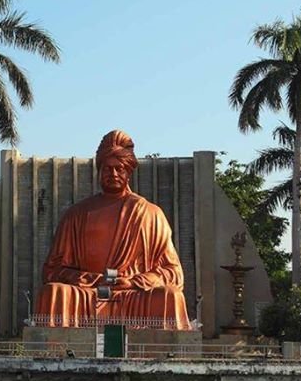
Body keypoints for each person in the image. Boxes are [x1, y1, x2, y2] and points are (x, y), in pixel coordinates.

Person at [35, 130, 191, 330]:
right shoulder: (76, 214)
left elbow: (173, 273)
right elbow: (52, 270)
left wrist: (134, 281)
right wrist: (90, 279)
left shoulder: (150, 214)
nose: (113, 174)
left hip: (135, 294)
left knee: (170, 296)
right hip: (88, 294)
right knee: (54, 292)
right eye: (107, 169)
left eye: (119, 169)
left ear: (128, 171)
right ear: (99, 171)